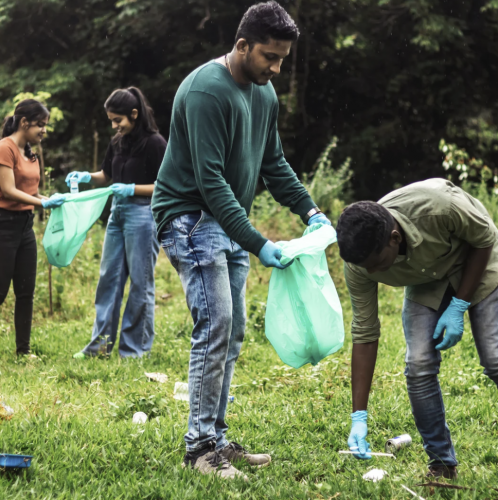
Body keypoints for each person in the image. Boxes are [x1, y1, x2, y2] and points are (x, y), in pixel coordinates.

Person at [152, 1, 331, 480]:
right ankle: (198, 450)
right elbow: (211, 182)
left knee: (231, 333)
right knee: (216, 326)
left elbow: (273, 164)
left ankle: (217, 438)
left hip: (225, 221)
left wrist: (310, 209)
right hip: (190, 217)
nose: (275, 68)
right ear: (241, 45)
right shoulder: (207, 92)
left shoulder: (263, 94)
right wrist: (258, 241)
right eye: (269, 57)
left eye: (282, 60)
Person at [336, 178, 498, 480]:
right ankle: (441, 463)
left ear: (394, 238)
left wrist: (460, 304)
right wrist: (359, 415)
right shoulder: (360, 260)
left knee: (494, 358)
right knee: (419, 363)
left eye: (377, 263)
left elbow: (484, 238)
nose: (370, 273)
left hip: (478, 259)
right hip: (427, 281)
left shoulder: (440, 206)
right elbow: (365, 332)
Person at [68, 87, 167, 359]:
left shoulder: (155, 143)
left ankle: (133, 350)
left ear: (134, 114)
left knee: (139, 282)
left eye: (118, 120)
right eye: (111, 120)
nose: (114, 125)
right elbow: (106, 175)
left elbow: (165, 187)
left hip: (143, 215)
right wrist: (85, 176)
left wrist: (132, 189)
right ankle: (99, 348)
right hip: (117, 214)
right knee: (108, 280)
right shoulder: (117, 142)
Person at [0, 99, 67, 355]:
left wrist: (50, 200)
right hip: (4, 225)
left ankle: (23, 351)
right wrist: (44, 204)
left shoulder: (31, 153)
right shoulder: (5, 148)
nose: (44, 131)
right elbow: (8, 190)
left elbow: (33, 193)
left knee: (26, 290)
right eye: (40, 125)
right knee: (0, 290)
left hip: (25, 227)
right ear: (24, 122)